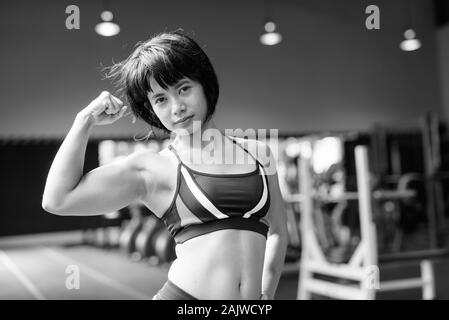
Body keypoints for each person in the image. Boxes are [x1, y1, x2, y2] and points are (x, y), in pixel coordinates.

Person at [42, 31, 288, 300]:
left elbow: (277, 232)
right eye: (161, 99)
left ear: (205, 84)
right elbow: (57, 199)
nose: (177, 107)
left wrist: (266, 293)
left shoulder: (258, 153)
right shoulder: (153, 169)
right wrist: (84, 119)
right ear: (152, 109)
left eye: (184, 89)